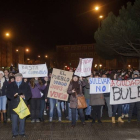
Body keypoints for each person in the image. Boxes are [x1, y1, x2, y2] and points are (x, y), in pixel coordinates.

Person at [6, 73, 31, 138]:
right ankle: (14, 133)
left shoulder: (26, 85)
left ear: (21, 78)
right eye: (16, 77)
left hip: (22, 106)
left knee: (22, 120)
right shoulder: (10, 85)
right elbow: (8, 94)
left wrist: (24, 96)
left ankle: (22, 133)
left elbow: (29, 94)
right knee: (14, 121)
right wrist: (13, 96)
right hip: (14, 105)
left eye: (19, 77)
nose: (17, 78)